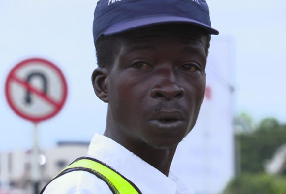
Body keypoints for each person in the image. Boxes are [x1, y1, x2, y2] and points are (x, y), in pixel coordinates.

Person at [42, 0, 218, 193]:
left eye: (189, 66)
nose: (169, 87)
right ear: (103, 85)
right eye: (142, 65)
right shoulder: (81, 189)